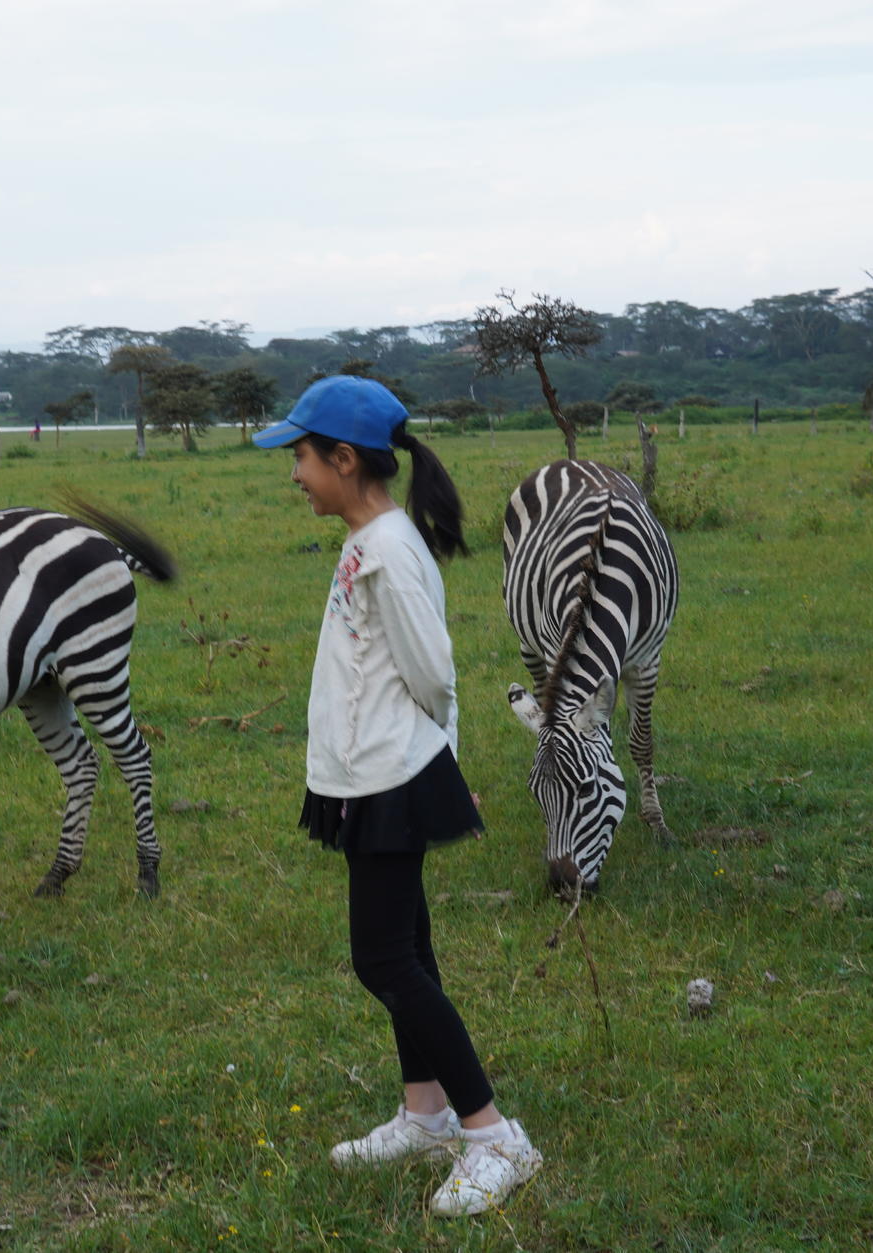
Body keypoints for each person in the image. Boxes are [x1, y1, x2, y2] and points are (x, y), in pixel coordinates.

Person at [252, 375, 543, 1218]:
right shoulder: (369, 540)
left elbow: (434, 673)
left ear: (345, 460)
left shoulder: (388, 550)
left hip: (391, 777)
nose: (295, 472)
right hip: (366, 774)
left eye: (302, 457)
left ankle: (495, 1137)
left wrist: (428, 765)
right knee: (407, 950)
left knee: (382, 959)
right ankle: (427, 1112)